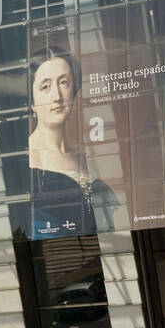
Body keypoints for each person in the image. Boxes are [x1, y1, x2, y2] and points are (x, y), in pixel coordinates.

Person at [19, 45, 118, 240]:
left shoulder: (84, 156)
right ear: (32, 101)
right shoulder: (26, 159)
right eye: (45, 87)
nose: (57, 96)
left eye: (64, 83)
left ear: (74, 91)